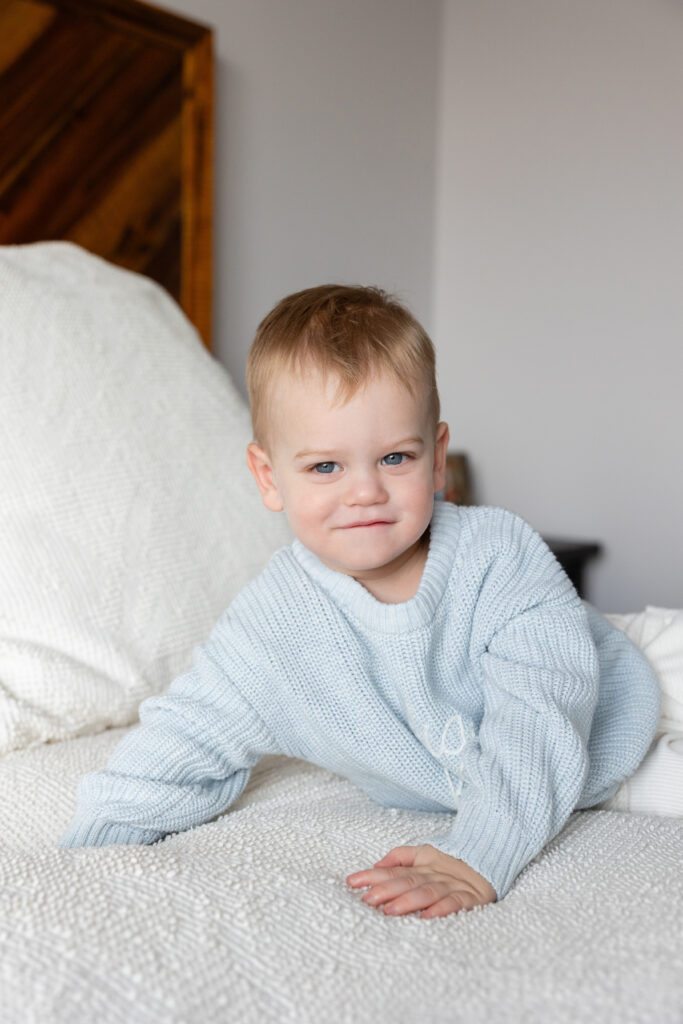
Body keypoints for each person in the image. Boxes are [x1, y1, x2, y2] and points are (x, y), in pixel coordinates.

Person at [60, 284, 664, 919]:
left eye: (395, 457)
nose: (366, 492)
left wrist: (480, 852)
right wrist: (90, 852)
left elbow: (542, 714)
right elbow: (185, 735)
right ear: (269, 478)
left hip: (616, 704)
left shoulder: (498, 554)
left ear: (436, 461)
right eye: (326, 468)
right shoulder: (271, 628)